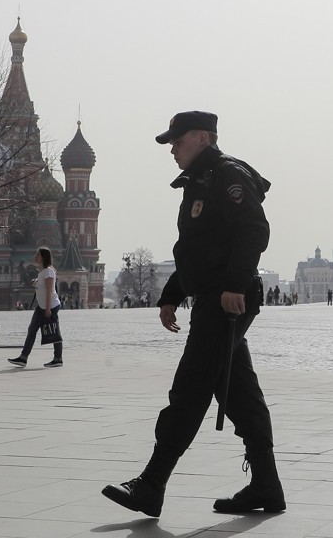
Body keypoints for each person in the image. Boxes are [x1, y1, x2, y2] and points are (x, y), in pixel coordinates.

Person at [102, 111, 283, 518]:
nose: (171, 149)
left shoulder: (225, 175)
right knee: (239, 392)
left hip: (226, 300)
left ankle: (151, 484)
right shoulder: (199, 181)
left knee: (191, 387)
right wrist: (172, 292)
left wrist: (235, 284)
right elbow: (198, 249)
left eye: (177, 141)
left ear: (202, 137)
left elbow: (254, 229)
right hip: (215, 297)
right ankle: (267, 485)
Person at [8, 247, 64, 368]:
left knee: (54, 331)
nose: (35, 257)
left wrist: (48, 309)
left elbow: (49, 291)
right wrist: (35, 282)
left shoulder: (48, 271)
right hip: (42, 307)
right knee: (32, 330)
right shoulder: (42, 272)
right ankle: (23, 358)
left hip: (51, 306)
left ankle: (58, 358)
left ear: (43, 257)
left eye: (37, 255)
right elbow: (42, 285)